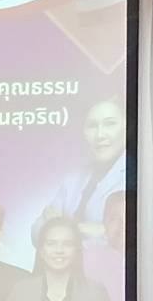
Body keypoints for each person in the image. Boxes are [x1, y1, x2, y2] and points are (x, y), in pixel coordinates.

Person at [42, 97, 129, 239]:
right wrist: (82, 229)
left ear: (126, 127)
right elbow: (38, 229)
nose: (100, 135)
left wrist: (61, 226)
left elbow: (137, 233)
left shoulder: (141, 175)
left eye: (110, 124)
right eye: (92, 126)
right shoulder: (73, 178)